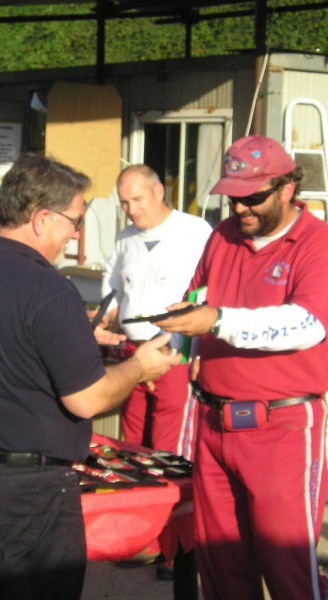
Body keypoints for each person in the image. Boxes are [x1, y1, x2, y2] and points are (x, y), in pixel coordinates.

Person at [0, 152, 180, 600]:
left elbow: (3, 349)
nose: (74, 235)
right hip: (24, 494)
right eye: (74, 222)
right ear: (42, 219)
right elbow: (86, 399)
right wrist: (140, 365)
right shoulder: (47, 288)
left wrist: (68, 334)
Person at [156, 135, 328, 600]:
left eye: (253, 197)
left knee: (287, 569)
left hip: (282, 427)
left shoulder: (320, 245)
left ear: (287, 189)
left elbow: (307, 324)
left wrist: (218, 321)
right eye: (233, 196)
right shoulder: (223, 236)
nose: (241, 208)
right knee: (220, 566)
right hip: (212, 421)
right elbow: (194, 305)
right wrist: (162, 343)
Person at [101, 164, 212, 460]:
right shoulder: (125, 238)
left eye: (138, 200)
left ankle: (171, 505)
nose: (131, 209)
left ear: (158, 191)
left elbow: (212, 289)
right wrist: (106, 315)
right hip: (133, 353)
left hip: (173, 353)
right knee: (131, 443)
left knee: (167, 449)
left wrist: (201, 353)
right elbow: (111, 283)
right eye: (124, 202)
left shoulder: (195, 230)